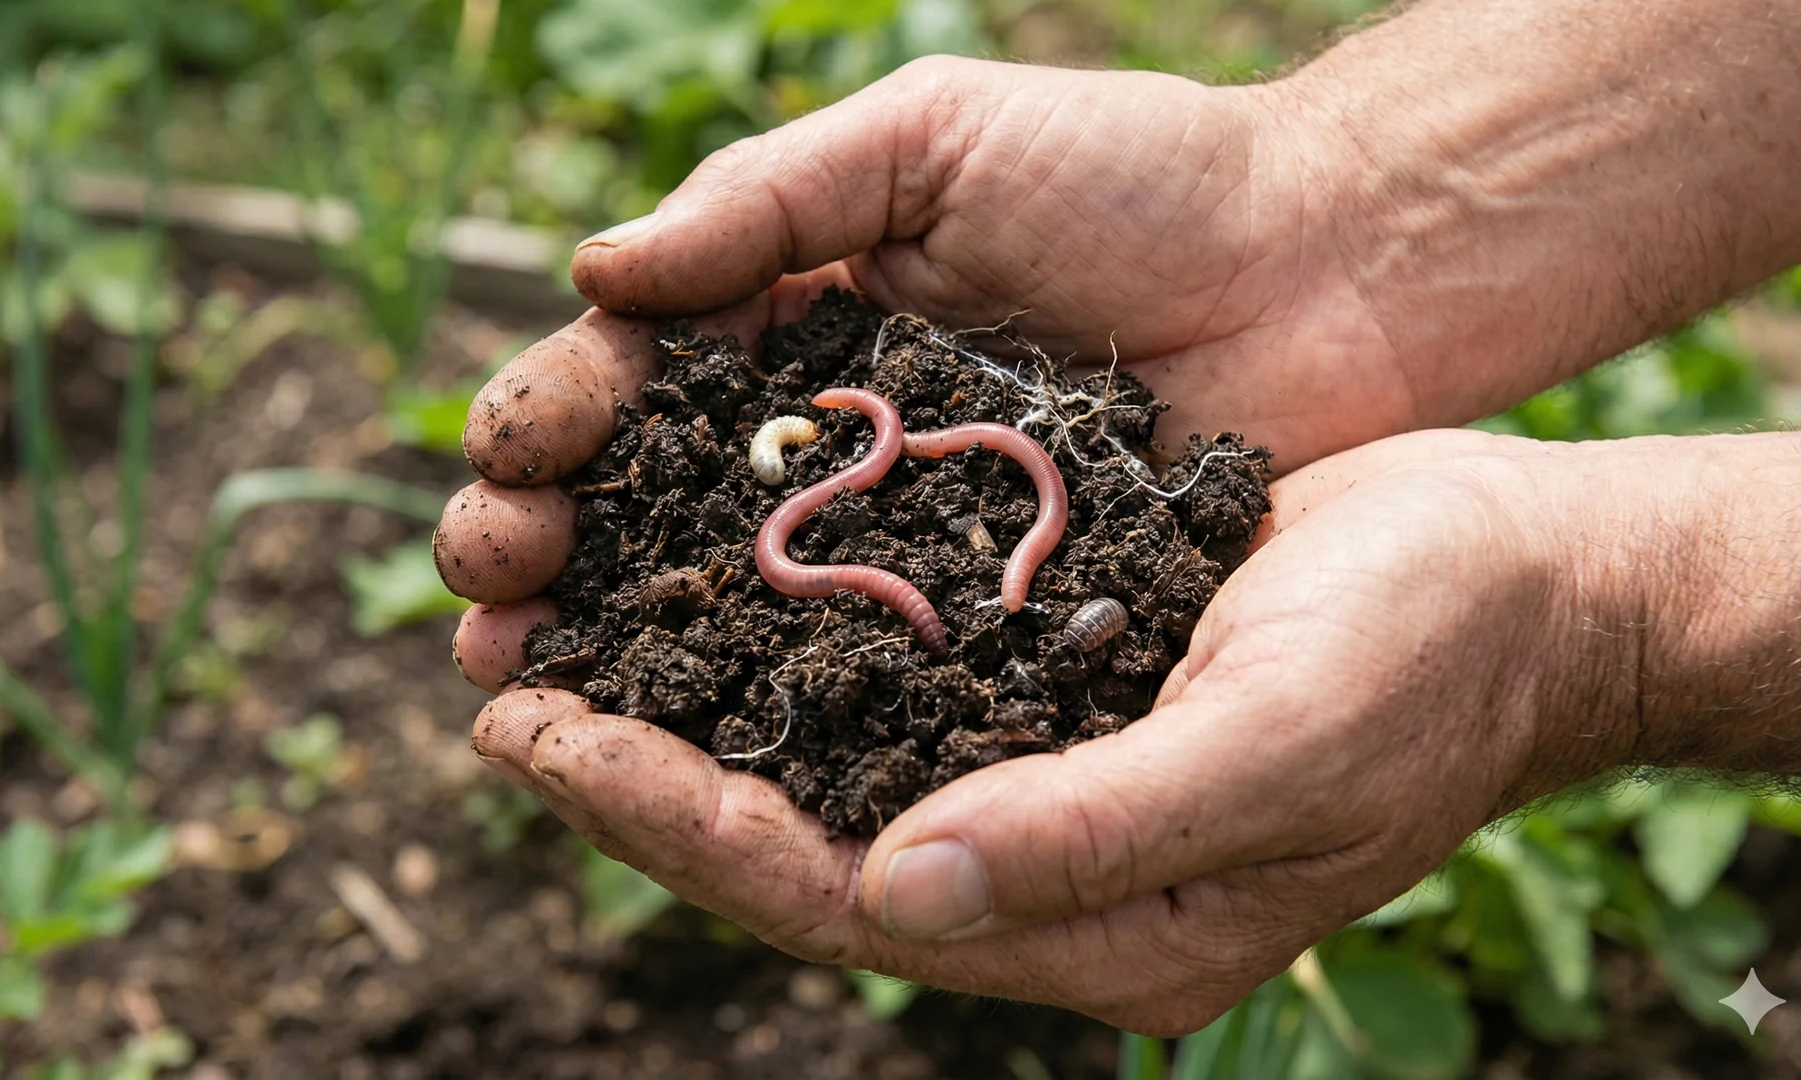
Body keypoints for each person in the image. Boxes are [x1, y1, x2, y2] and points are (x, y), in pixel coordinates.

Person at [438, 0, 1801, 1036]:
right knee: (907, 520)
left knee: (948, 519)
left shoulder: (977, 504)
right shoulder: (877, 465)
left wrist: (1605, 621)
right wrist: (1326, 190)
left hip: (923, 493)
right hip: (889, 480)